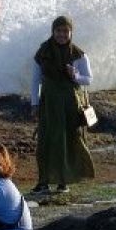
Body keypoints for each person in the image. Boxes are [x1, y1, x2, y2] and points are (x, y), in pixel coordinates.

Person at [29, 15, 96, 195]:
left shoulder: (78, 54)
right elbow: (35, 81)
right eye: (58, 31)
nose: (62, 34)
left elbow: (88, 79)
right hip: (49, 101)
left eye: (66, 31)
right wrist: (34, 104)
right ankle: (43, 182)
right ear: (53, 31)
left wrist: (75, 76)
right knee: (45, 141)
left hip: (70, 103)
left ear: (71, 32)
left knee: (67, 141)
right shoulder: (43, 52)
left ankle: (63, 182)